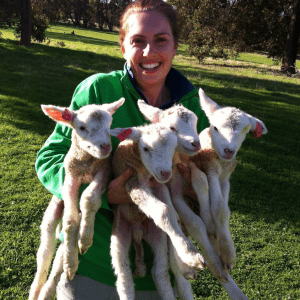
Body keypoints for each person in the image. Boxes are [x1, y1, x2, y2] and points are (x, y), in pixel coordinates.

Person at [35, 0, 210, 299]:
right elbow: (50, 159)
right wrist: (104, 194)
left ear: (175, 46)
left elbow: (206, 172)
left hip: (158, 273)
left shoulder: (191, 107)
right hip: (93, 267)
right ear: (123, 47)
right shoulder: (98, 91)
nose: (149, 52)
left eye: (160, 41)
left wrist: (193, 188)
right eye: (137, 41)